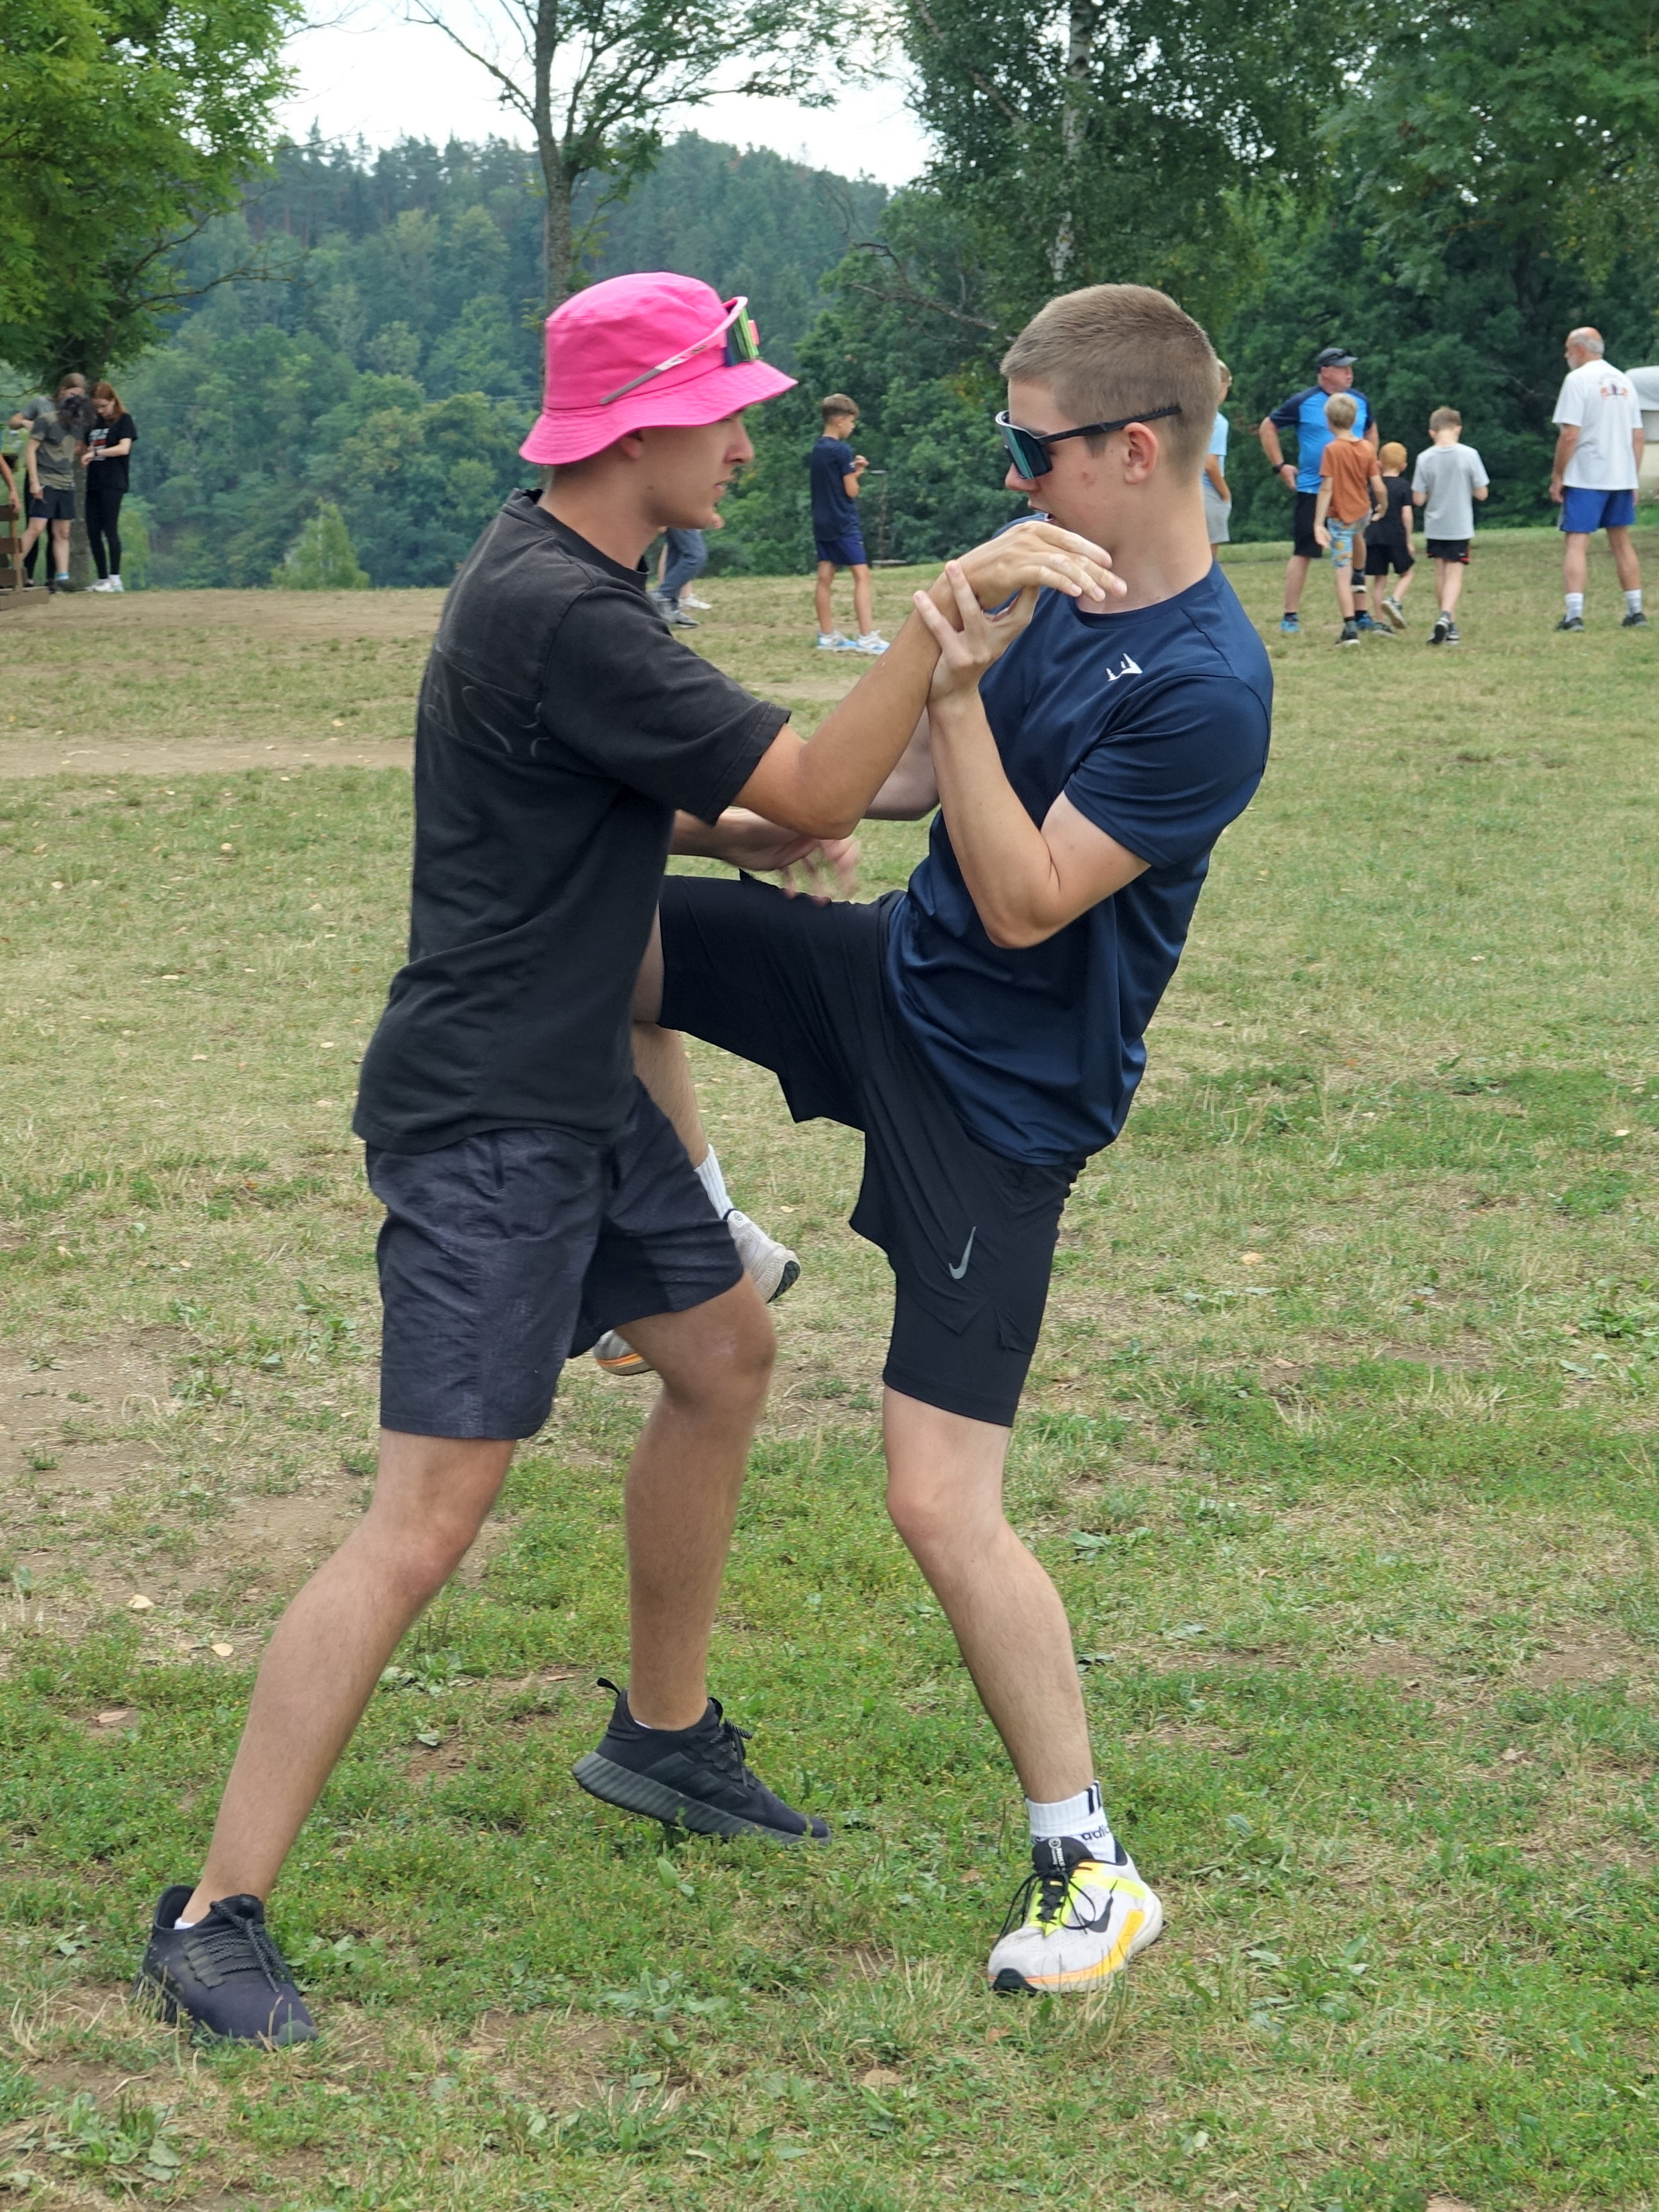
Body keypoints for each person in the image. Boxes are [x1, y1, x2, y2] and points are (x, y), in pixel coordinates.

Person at [130, 269, 1117, 2046]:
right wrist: (939, 622)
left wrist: (771, 813)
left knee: (722, 1355)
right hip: (487, 1113)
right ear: (638, 428)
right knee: (426, 1514)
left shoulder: (570, 583)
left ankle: (660, 1740)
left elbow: (658, 789)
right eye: (722, 413)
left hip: (578, 1080)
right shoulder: (561, 605)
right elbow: (806, 786)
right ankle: (212, 1913)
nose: (742, 443)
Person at [634, 283, 1270, 1995]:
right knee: (596, 934)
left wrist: (965, 685)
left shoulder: (1208, 687)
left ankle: (1087, 1865)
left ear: (1131, 449)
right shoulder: (1059, 583)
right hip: (885, 985)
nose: (1009, 479)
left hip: (999, 1107)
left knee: (935, 1499)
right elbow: (891, 784)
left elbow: (1022, 896)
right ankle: (698, 1227)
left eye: (1026, 449)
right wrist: (642, 806)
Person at [1259, 346, 1380, 634]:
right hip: (1314, 489)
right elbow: (1268, 427)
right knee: (1304, 550)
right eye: (1343, 368)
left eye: (1351, 368)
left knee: (1358, 545)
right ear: (1325, 372)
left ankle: (1361, 613)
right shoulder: (1304, 402)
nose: (1350, 373)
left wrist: (1369, 465)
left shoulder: (1359, 401)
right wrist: (1280, 466)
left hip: (1352, 492)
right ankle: (1290, 616)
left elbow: (1371, 431)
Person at [1550, 328, 1646, 630]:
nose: (1566, 355)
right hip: (1621, 475)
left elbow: (1570, 434)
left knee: (1577, 542)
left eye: (1568, 349)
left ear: (1580, 350)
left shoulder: (1577, 380)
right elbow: (1638, 435)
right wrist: (1632, 477)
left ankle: (1574, 614)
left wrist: (1558, 475)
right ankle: (1636, 611)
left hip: (1587, 474)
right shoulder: (1625, 381)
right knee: (1622, 542)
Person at [810, 393, 887, 656]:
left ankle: (827, 636)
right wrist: (856, 474)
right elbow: (851, 491)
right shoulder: (842, 451)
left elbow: (830, 483)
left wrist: (852, 471)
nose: (853, 427)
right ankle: (866, 638)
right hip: (843, 521)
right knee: (862, 576)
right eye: (852, 422)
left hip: (822, 521)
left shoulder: (818, 449)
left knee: (825, 576)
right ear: (840, 421)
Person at [1313, 393, 1386, 647]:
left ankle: (1350, 627)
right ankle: (1360, 571)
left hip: (1340, 518)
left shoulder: (1332, 450)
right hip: (1362, 513)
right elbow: (1377, 484)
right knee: (1359, 536)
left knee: (1340, 573)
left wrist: (1318, 523)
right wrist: (1383, 506)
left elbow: (1327, 488)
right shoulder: (1367, 448)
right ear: (1354, 420)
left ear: (1329, 421)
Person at [1411, 408, 1489, 646]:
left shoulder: (1424, 458)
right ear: (1458, 429)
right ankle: (1446, 616)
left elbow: (1418, 499)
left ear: (1432, 432)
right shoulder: (1470, 455)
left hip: (1435, 525)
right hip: (1460, 524)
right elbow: (1482, 493)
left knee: (1440, 573)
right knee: (1455, 573)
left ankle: (1450, 626)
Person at [19, 376, 90, 594]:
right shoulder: (46, 420)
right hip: (45, 480)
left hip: (66, 482)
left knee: (63, 532)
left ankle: (62, 576)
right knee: (36, 528)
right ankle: (11, 569)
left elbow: (76, 447)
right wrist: (34, 482)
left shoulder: (78, 424)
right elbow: (31, 449)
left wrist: (85, 454)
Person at [82, 382, 137, 594]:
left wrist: (97, 453)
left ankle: (115, 578)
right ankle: (102, 577)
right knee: (93, 530)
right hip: (94, 482)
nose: (100, 411)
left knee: (109, 528)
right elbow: (84, 447)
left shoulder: (124, 420)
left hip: (113, 481)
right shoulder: (93, 423)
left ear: (113, 401)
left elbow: (124, 448)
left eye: (104, 406)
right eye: (96, 407)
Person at [1365, 441, 1415, 628]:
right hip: (1395, 536)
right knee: (1407, 573)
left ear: (1379, 463)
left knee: (1379, 579)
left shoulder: (1373, 486)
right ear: (1404, 466)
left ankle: (1380, 621)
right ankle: (1394, 600)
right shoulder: (1403, 486)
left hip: (1373, 536)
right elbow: (1407, 515)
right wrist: (1408, 541)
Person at [1203, 362, 1232, 550]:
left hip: (1182, 488)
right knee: (1209, 555)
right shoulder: (1218, 421)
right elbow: (1210, 464)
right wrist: (1225, 494)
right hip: (1207, 491)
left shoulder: (1184, 417)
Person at [652, 527, 707, 627]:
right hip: (680, 518)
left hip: (677, 519)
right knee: (695, 557)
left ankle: (671, 609)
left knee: (676, 555)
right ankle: (662, 594)